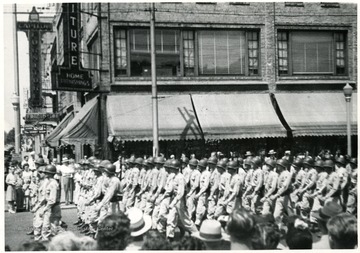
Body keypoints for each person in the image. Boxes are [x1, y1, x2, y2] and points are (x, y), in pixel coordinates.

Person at [41, 164, 62, 241]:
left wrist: (45, 209)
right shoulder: (48, 182)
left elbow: (52, 200)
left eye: (47, 172)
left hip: (53, 207)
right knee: (46, 228)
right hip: (49, 207)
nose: (45, 174)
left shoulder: (53, 183)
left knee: (54, 228)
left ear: (51, 174)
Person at [195, 158, 210, 226]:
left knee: (200, 208)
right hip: (201, 192)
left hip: (204, 193)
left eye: (200, 166)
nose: (198, 167)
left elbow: (205, 186)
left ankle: (198, 222)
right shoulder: (202, 173)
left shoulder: (207, 174)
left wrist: (199, 194)